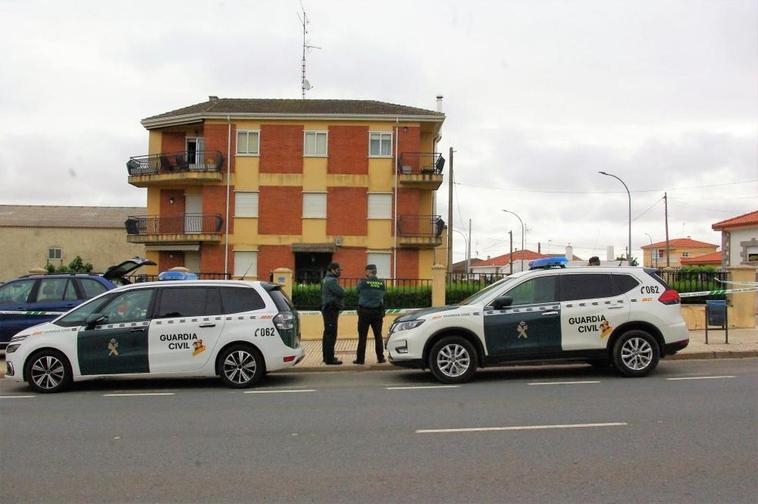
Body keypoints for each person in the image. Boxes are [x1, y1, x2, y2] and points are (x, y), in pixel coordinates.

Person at [354, 264, 386, 365]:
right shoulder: (381, 283)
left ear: (368, 272)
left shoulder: (362, 282)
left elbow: (357, 292)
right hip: (377, 312)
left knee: (362, 337)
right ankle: (380, 358)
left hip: (364, 312)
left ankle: (360, 359)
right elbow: (383, 295)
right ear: (375, 271)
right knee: (378, 336)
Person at [320, 262, 345, 365]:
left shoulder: (325, 279)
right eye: (338, 270)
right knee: (331, 334)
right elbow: (341, 292)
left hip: (327, 309)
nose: (339, 272)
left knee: (327, 333)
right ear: (332, 270)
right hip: (331, 309)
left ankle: (326, 357)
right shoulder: (331, 281)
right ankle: (330, 359)